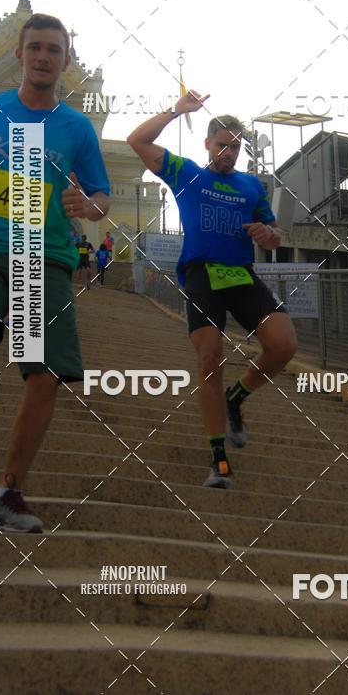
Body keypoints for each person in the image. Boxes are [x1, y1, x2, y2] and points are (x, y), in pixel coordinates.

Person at [0, 12, 111, 533]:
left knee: (43, 373)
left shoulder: (77, 127)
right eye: (34, 47)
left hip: (43, 257)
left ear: (64, 60)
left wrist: (90, 205)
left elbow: (102, 195)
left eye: (53, 50)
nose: (43, 57)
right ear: (19, 54)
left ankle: (9, 490)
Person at [127, 91, 297, 489]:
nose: (228, 152)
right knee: (209, 358)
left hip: (240, 273)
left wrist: (266, 233)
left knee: (284, 345)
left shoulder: (253, 187)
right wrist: (175, 111)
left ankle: (235, 399)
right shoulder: (188, 174)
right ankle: (218, 456)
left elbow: (275, 237)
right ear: (207, 144)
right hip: (202, 274)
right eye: (222, 144)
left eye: (235, 146)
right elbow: (138, 140)